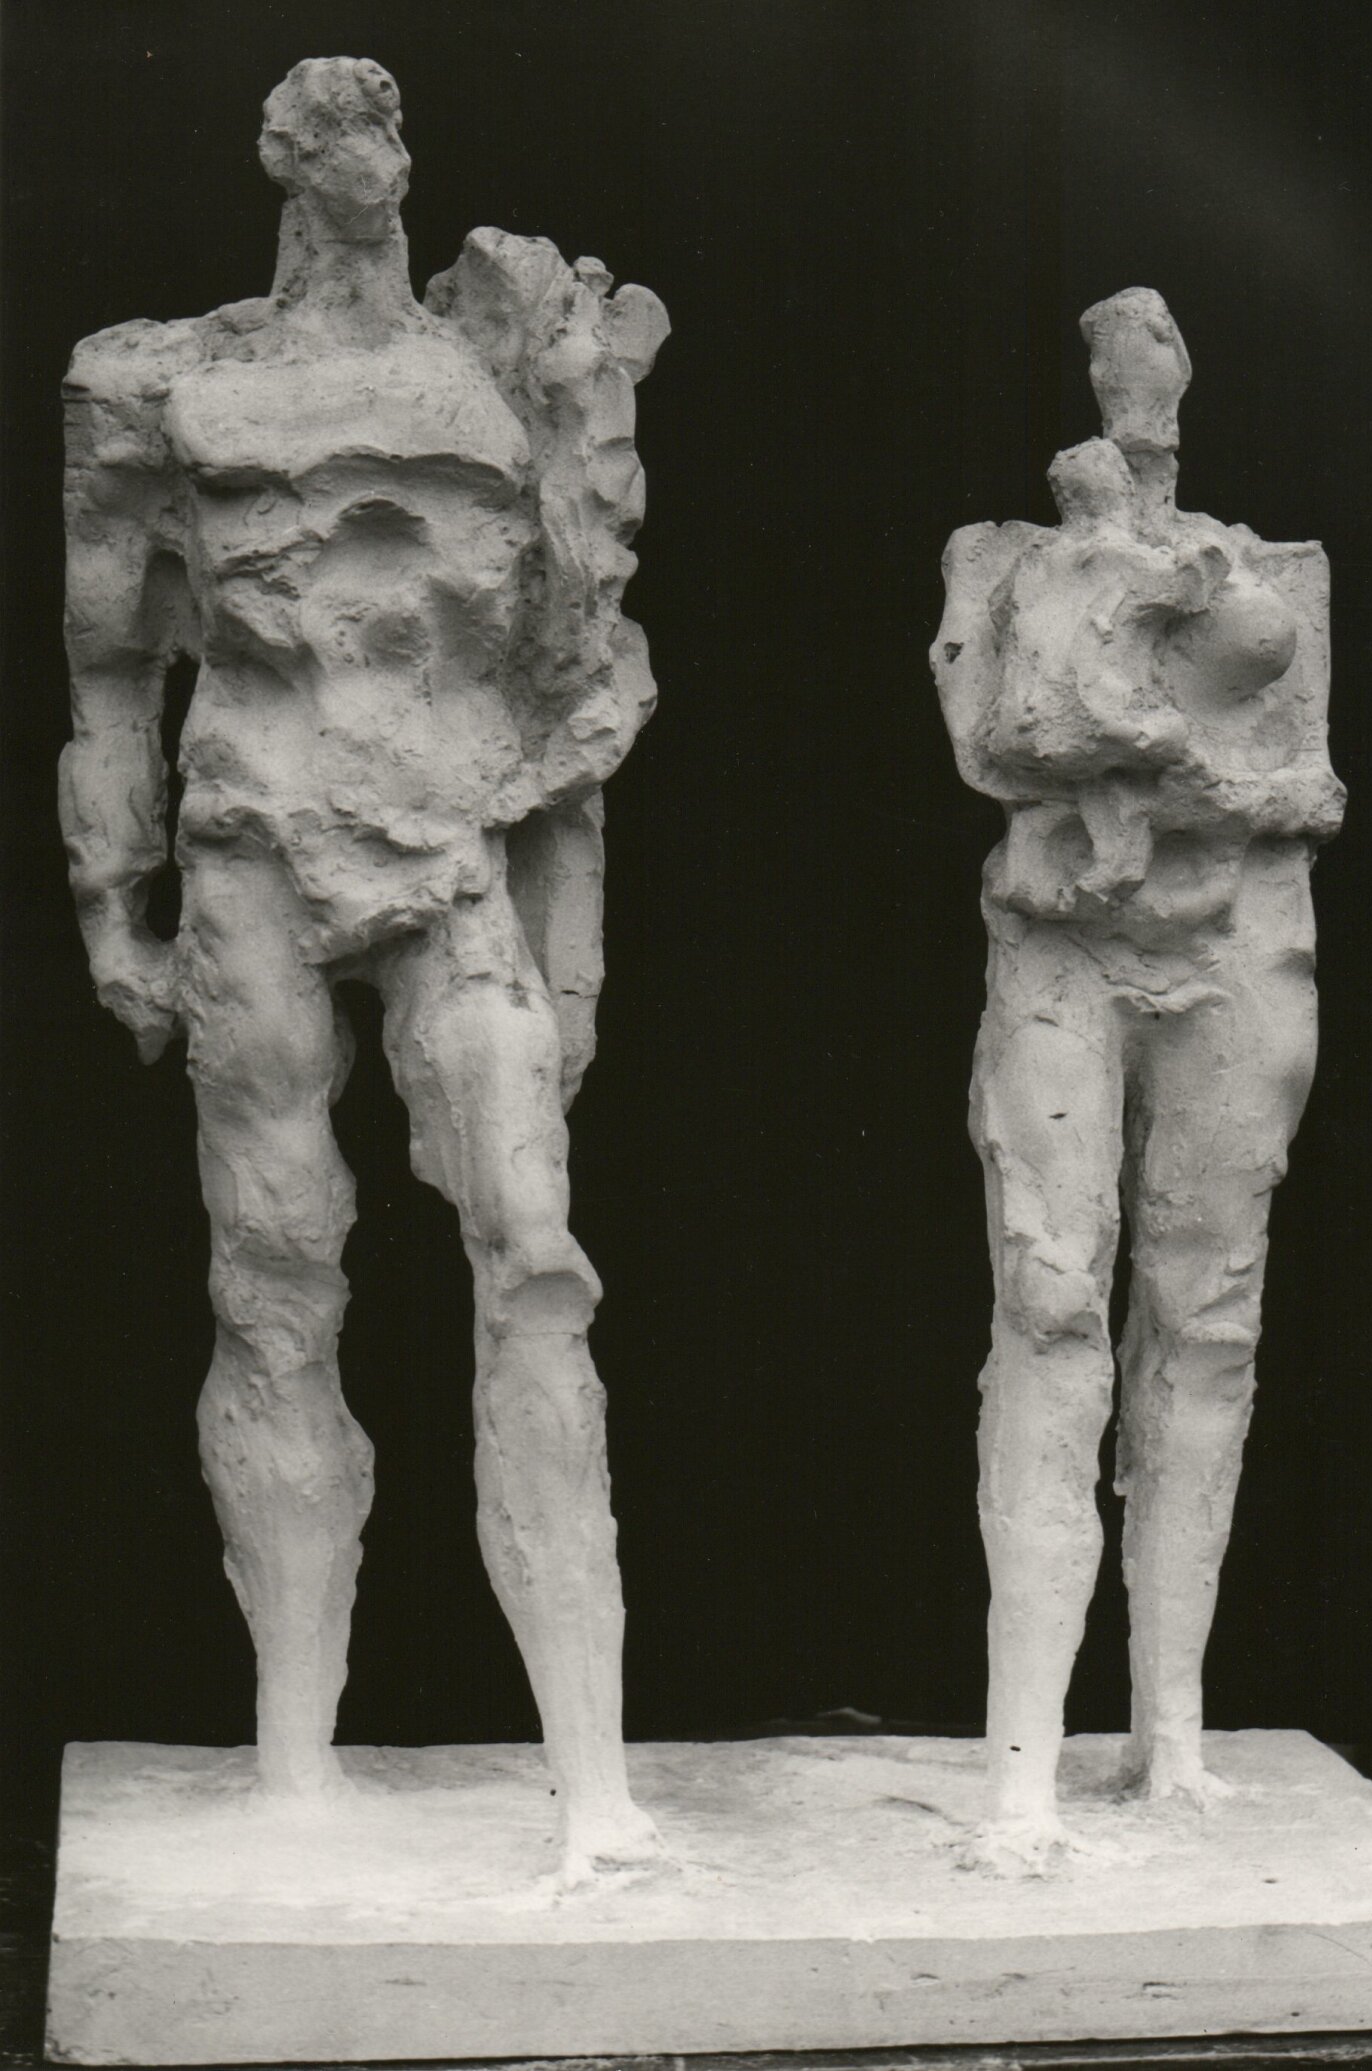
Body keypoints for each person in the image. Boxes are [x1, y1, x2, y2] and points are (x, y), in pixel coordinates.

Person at [60, 57, 667, 1883]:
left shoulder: (502, 370)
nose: (367, 158)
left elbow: (573, 675)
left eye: (384, 128)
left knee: (532, 1255)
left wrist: (574, 950)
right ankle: (292, 1763)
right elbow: (110, 666)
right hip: (256, 836)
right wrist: (112, 898)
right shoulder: (158, 381)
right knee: (274, 1279)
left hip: (451, 837)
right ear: (283, 163)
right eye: (332, 132)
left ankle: (595, 1782)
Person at [933, 288, 1344, 1871]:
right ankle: (1023, 1767)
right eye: (1117, 363)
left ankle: (1172, 1731)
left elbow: (1311, 786)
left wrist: (1177, 777)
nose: (1135, 383)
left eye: (1155, 359)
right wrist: (1178, 769)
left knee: (1209, 1319)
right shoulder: (1003, 564)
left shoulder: (1270, 573)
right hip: (1063, 945)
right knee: (1048, 1306)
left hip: (1236, 948)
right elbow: (995, 743)